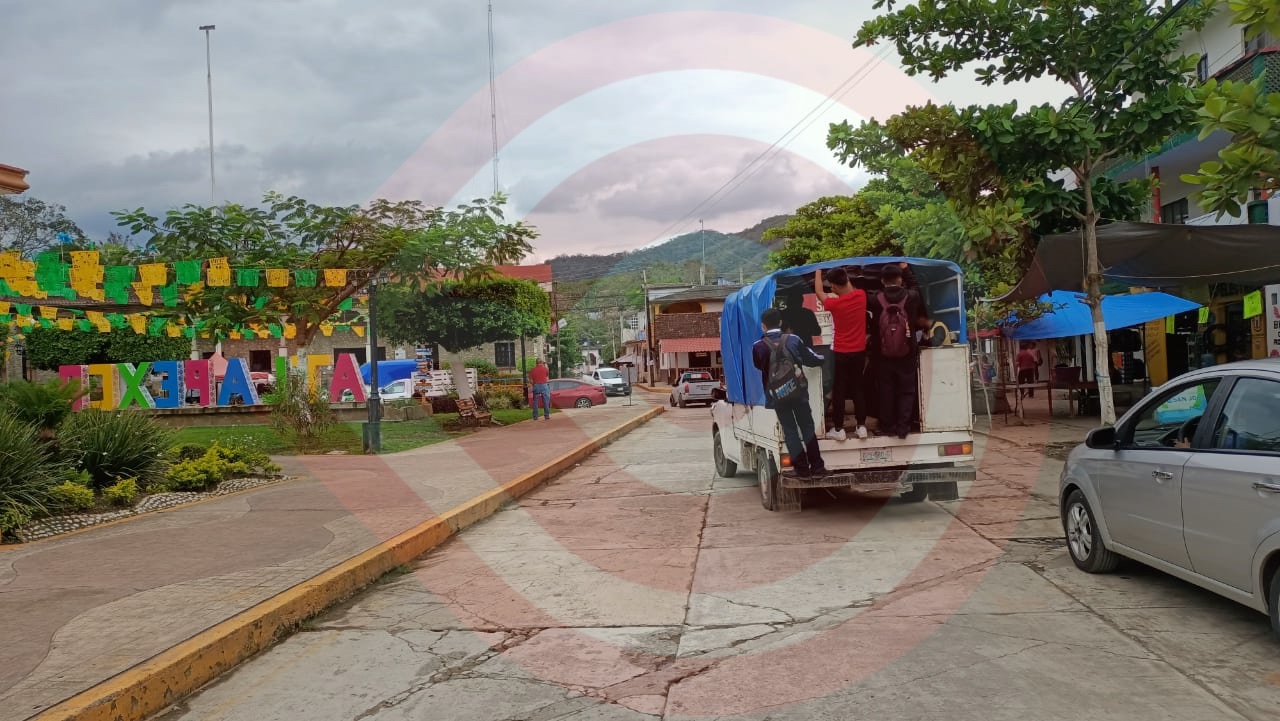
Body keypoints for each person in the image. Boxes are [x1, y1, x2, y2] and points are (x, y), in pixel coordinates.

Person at [753, 307, 827, 478]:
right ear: (780, 322)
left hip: (777, 395)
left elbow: (758, 366)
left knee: (790, 430)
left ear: (763, 326)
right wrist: (824, 358)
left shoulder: (758, 346)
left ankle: (802, 470)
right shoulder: (794, 339)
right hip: (798, 392)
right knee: (807, 427)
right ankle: (817, 467)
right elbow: (812, 359)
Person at [868, 263, 930, 439]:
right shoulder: (912, 296)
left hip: (882, 353)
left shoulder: (875, 299)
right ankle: (904, 427)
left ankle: (887, 426)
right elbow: (916, 285)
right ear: (900, 280)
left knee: (885, 389)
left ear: (882, 281)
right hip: (907, 351)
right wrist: (906, 269)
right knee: (906, 390)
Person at [815, 266, 869, 441]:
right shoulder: (861, 296)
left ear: (834, 286)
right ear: (847, 279)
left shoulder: (834, 305)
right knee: (858, 388)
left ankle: (839, 429)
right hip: (859, 352)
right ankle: (861, 427)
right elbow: (848, 286)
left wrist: (818, 270)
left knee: (839, 390)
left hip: (840, 352)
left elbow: (819, 291)